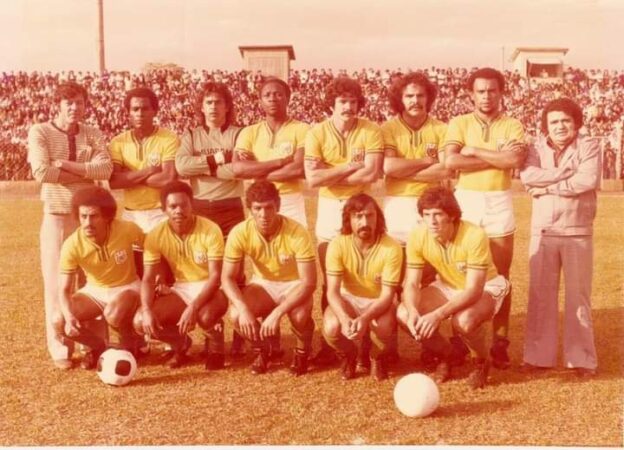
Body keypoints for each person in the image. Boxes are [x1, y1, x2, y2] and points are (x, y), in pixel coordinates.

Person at [443, 67, 527, 369]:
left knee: (501, 276)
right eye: (481, 91)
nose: (487, 96)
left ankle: (500, 342)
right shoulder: (460, 122)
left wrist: (475, 151)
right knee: (460, 271)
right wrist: (495, 158)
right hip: (466, 201)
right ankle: (458, 338)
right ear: (471, 94)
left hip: (498, 200)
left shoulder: (512, 124)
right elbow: (451, 161)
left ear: (501, 92)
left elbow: (515, 159)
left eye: (492, 90)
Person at [27, 81, 112, 369]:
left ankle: (95, 347)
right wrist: (86, 174)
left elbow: (106, 169)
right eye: (69, 103)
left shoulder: (92, 133)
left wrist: (65, 165)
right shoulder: (40, 131)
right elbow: (42, 172)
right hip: (58, 215)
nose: (74, 108)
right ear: (58, 105)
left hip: (90, 218)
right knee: (57, 283)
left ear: (85, 105)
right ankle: (61, 347)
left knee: (94, 283)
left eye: (79, 103)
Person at [304, 76, 383, 366]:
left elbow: (371, 173)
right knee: (331, 279)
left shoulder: (371, 130)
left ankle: (367, 346)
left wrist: (330, 171)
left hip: (361, 208)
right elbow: (312, 179)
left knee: (365, 275)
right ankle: (332, 345)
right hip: (329, 208)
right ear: (332, 104)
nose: (348, 107)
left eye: (352, 101)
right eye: (342, 101)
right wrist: (350, 166)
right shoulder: (316, 132)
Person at [397, 186, 510, 389]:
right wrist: (413, 310)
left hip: (486, 286)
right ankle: (448, 355)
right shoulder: (418, 235)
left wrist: (437, 315)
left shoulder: (474, 235)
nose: (432, 221)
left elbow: (473, 290)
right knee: (404, 314)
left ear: (452, 216)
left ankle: (481, 361)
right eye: (426, 215)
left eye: (438, 214)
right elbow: (412, 282)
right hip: (448, 284)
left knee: (463, 321)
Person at [519, 98, 600, 377]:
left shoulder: (589, 145)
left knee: (578, 296)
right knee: (540, 296)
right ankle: (538, 357)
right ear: (546, 126)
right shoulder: (535, 148)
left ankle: (581, 359)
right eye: (554, 121)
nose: (560, 126)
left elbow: (586, 180)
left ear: (576, 123)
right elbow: (528, 176)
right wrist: (562, 173)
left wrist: (548, 187)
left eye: (566, 120)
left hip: (577, 230)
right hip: (543, 230)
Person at [174, 82, 247, 358]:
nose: (213, 107)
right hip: (201, 207)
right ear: (201, 107)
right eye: (208, 102)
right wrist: (219, 158)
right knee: (207, 270)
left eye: (218, 102)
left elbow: (238, 170)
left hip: (230, 208)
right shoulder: (192, 135)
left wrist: (206, 166)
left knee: (235, 271)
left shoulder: (239, 133)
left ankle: (241, 330)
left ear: (227, 106)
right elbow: (182, 166)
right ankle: (212, 328)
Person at [221, 181, 317, 376]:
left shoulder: (297, 232)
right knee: (237, 315)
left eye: (268, 208)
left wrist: (277, 313)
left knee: (300, 316)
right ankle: (264, 350)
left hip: (294, 283)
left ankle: (302, 352)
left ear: (278, 206)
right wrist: (243, 309)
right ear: (250, 209)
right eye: (257, 208)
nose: (263, 215)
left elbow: (309, 282)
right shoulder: (240, 232)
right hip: (264, 283)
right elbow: (227, 278)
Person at [133, 181, 228, 369]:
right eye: (173, 206)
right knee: (140, 322)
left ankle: (216, 347)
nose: (178, 211)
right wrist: (146, 309)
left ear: (192, 205)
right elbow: (148, 279)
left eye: (183, 205)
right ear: (164, 209)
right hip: (182, 287)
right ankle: (181, 343)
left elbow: (215, 277)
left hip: (212, 287)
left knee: (205, 316)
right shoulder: (155, 235)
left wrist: (193, 307)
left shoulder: (210, 229)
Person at [58, 187, 144, 369]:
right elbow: (64, 290)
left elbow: (153, 249)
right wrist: (69, 315)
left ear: (107, 216)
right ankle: (99, 347)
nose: (87, 223)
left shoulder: (127, 229)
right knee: (58, 320)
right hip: (95, 290)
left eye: (94, 216)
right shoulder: (72, 244)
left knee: (113, 315)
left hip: (128, 286)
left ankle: (132, 343)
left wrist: (155, 280)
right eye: (83, 216)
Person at [322, 194, 402, 381]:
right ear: (348, 219)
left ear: (378, 218)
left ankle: (376, 357)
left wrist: (365, 318)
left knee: (384, 327)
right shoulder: (337, 244)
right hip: (348, 298)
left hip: (378, 300)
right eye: (358, 216)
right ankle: (350, 355)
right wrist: (344, 318)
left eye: (370, 215)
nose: (364, 222)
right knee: (332, 327)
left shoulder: (392, 247)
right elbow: (332, 291)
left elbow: (387, 296)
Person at [382, 72, 451, 244]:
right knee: (399, 257)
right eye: (409, 96)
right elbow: (389, 167)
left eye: (420, 95)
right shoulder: (388, 128)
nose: (415, 100)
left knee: (431, 257)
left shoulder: (441, 128)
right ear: (400, 99)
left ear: (428, 98)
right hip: (397, 202)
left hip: (432, 204)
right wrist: (426, 161)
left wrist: (402, 172)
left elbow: (446, 169)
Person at [233, 77, 309, 226]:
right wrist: (280, 162)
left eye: (278, 94)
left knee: (294, 241)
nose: (272, 99)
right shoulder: (249, 132)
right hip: (258, 200)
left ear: (288, 99)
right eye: (267, 95)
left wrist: (256, 171)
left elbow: (298, 169)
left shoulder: (302, 129)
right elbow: (238, 169)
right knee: (258, 241)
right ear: (260, 101)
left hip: (290, 200)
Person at [108, 87, 179, 235]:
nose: (140, 113)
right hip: (130, 214)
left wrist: (129, 176)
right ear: (128, 112)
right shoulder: (118, 142)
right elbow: (114, 182)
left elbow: (168, 178)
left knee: (161, 251)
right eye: (135, 109)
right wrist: (149, 170)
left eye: (145, 109)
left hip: (160, 212)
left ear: (155, 111)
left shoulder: (169, 138)